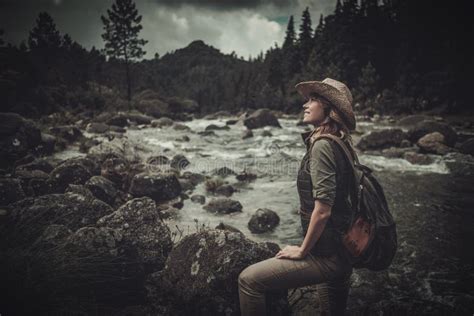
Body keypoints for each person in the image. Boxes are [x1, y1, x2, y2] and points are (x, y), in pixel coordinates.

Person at [238, 78, 357, 316]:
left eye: (313, 99)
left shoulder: (323, 145)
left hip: (329, 256)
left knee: (249, 281)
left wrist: (303, 251)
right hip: (344, 250)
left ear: (329, 109)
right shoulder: (343, 142)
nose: (305, 104)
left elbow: (323, 210)